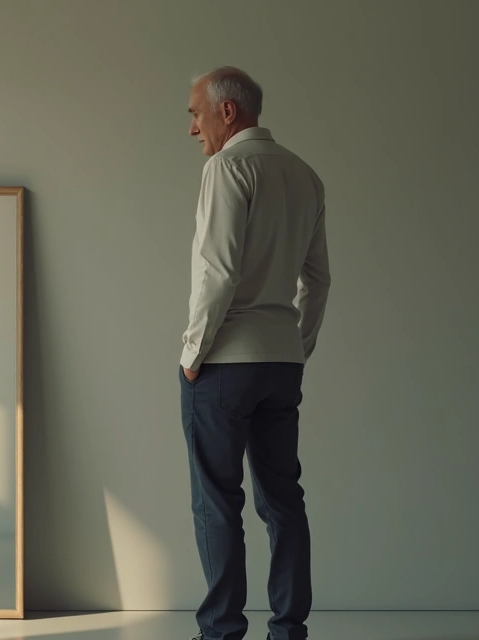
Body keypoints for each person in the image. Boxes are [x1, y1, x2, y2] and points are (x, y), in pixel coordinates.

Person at [179, 66, 331, 640]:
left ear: (227, 112)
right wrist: (298, 345)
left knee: (217, 503)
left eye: (195, 114)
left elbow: (217, 273)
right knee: (283, 498)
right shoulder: (305, 175)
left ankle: (221, 631)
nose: (192, 129)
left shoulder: (227, 168)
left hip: (224, 361)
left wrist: (193, 353)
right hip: (280, 362)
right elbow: (317, 280)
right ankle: (289, 629)